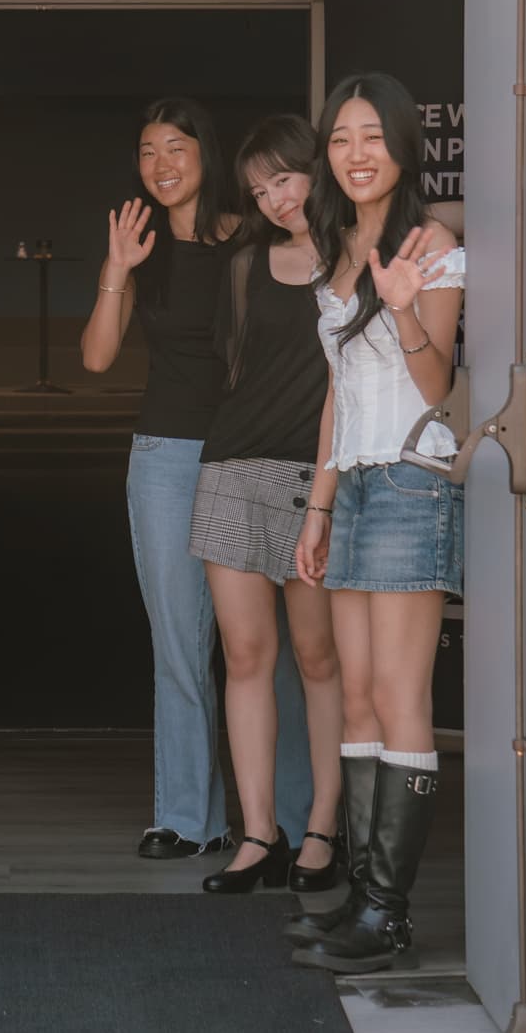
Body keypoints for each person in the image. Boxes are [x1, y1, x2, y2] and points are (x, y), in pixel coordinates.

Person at [80, 97, 312, 860]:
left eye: (176, 147)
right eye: (147, 151)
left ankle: (287, 817)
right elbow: (96, 359)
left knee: (269, 647)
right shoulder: (142, 244)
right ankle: (186, 816)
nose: (161, 165)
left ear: (207, 157)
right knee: (180, 641)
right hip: (168, 456)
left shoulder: (256, 234)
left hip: (259, 450)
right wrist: (118, 269)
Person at [291, 72, 464, 974]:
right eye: (341, 139)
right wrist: (316, 507)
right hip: (353, 484)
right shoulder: (338, 248)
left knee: (400, 699)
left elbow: (435, 389)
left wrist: (401, 311)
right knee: (356, 697)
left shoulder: (430, 247)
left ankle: (388, 916)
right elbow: (335, 395)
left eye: (373, 137)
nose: (357, 155)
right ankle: (361, 897)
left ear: (403, 147)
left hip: (409, 478)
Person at [189, 115, 342, 893]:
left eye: (285, 177)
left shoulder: (359, 259)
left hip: (317, 481)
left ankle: (322, 828)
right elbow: (234, 367)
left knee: (319, 660)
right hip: (232, 467)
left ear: (318, 167)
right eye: (260, 189)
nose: (276, 198)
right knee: (246, 659)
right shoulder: (248, 264)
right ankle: (259, 835)